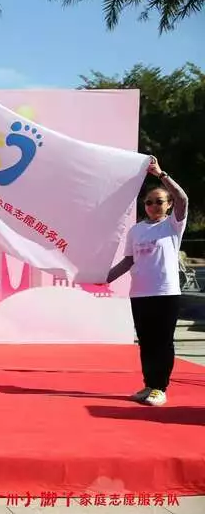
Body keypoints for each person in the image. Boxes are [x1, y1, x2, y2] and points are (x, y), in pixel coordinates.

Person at [106, 156, 188, 407]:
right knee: (146, 342)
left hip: (165, 293)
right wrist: (103, 277)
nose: (153, 206)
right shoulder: (136, 230)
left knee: (162, 342)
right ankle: (149, 384)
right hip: (140, 294)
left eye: (159, 201)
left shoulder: (173, 225)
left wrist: (161, 174)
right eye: (149, 202)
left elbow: (183, 199)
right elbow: (128, 262)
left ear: (168, 205)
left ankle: (160, 388)